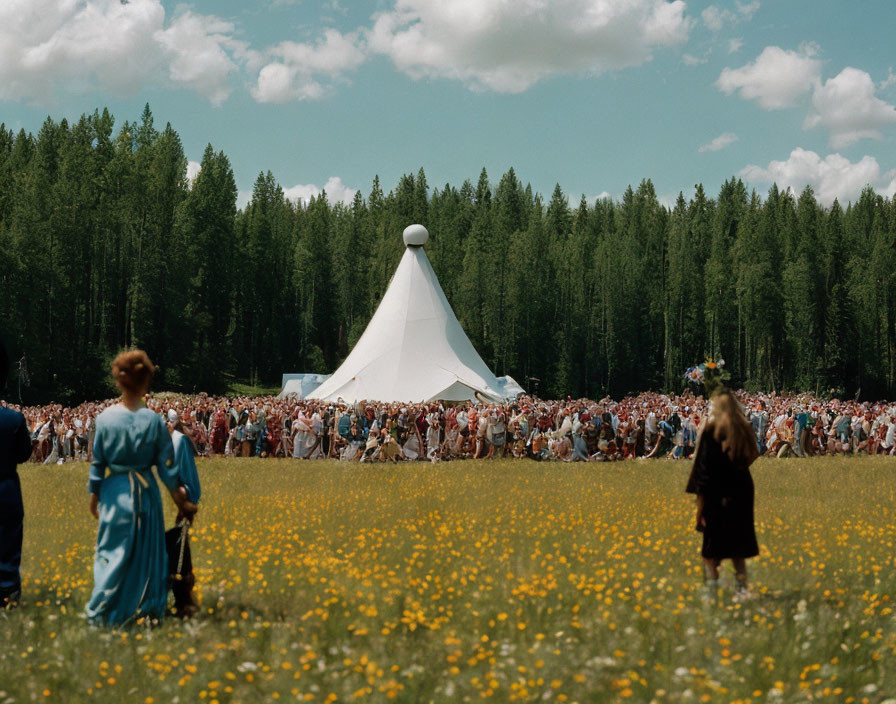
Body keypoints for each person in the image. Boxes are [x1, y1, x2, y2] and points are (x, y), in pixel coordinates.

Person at [86, 350, 197, 626]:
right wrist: (182, 502)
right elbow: (168, 471)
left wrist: (94, 495)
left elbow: (97, 463)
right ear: (145, 381)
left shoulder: (104, 419)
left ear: (119, 380)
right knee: (146, 552)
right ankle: (144, 608)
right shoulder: (153, 422)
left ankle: (103, 609)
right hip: (145, 492)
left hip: (114, 491)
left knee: (112, 550)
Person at [685, 389, 760, 597]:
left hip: (717, 491)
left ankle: (712, 590)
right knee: (739, 546)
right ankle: (742, 591)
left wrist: (700, 507)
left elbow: (703, 470)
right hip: (742, 490)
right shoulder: (743, 428)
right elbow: (754, 454)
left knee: (711, 547)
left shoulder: (711, 430)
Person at [0, 341, 33, 608]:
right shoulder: (14, 419)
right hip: (6, 486)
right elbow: (24, 455)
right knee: (9, 540)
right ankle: (9, 592)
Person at [166, 409, 202, 618]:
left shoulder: (179, 441)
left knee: (178, 556)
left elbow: (188, 480)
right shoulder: (171, 441)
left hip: (178, 503)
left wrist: (186, 504)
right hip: (157, 505)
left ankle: (182, 603)